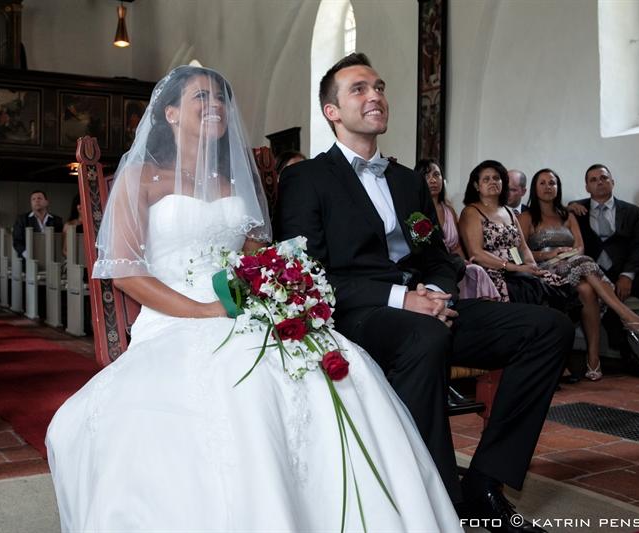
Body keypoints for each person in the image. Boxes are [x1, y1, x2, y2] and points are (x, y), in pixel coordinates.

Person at [46, 65, 461, 532]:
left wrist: (286, 293)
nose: (216, 106)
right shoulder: (142, 177)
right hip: (175, 314)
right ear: (170, 113)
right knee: (235, 387)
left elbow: (259, 259)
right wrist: (205, 310)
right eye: (202, 97)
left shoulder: (231, 183)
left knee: (341, 368)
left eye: (222, 99)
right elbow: (124, 271)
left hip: (249, 310)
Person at [278, 53, 573, 533]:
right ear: (331, 111)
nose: (375, 95)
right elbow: (307, 272)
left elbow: (434, 254)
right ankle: (435, 499)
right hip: (359, 314)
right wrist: (403, 301)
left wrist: (435, 291)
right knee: (424, 337)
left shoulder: (407, 181)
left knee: (548, 327)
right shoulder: (306, 179)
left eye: (379, 86)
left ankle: (486, 482)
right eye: (358, 89)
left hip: (431, 308)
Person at [519, 169, 639, 381]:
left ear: (558, 187)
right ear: (535, 189)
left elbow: (580, 247)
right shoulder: (526, 217)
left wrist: (569, 256)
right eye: (543, 183)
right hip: (543, 269)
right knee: (585, 265)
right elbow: (522, 251)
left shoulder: (568, 215)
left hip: (574, 266)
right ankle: (626, 316)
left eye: (552, 183)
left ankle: (593, 358)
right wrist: (553, 253)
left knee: (586, 289)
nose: (548, 187)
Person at [569, 164, 639, 376]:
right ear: (587, 187)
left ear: (612, 182)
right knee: (603, 295)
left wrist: (628, 275)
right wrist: (570, 206)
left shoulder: (631, 211)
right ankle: (626, 355)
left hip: (626, 269)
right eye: (593, 179)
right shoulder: (576, 211)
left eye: (603, 178)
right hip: (596, 273)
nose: (599, 182)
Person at [459, 160, 570, 306]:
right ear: (476, 186)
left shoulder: (509, 211)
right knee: (528, 290)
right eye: (486, 179)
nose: (492, 182)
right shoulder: (471, 212)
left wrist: (531, 266)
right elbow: (476, 253)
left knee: (557, 286)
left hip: (518, 268)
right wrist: (514, 267)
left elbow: (522, 247)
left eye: (496, 178)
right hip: (493, 272)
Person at [414, 159, 499, 301]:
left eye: (436, 175)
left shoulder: (449, 210)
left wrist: (466, 261)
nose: (433, 180)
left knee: (475, 270)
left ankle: (484, 309)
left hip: (453, 263)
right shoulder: (415, 211)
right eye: (426, 176)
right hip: (431, 267)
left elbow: (457, 246)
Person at [12, 190, 64, 259]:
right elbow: (17, 241)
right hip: (28, 259)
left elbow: (60, 242)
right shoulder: (22, 219)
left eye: (39, 198)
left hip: (51, 257)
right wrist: (29, 256)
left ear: (46, 202)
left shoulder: (57, 220)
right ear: (31, 203)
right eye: (33, 199)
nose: (36, 201)